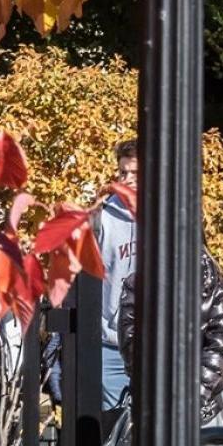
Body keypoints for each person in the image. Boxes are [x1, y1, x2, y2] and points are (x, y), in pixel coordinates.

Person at [117, 245, 223, 446]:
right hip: (154, 404)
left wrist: (194, 395)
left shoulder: (211, 281)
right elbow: (131, 344)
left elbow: (220, 342)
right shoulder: (138, 283)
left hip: (202, 405)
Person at [95, 140, 141, 410]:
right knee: (114, 436)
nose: (128, 180)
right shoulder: (104, 216)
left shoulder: (167, 216)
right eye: (123, 173)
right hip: (111, 343)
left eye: (136, 173)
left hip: (154, 343)